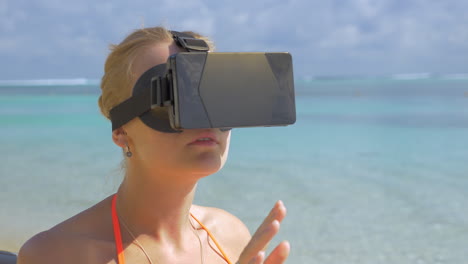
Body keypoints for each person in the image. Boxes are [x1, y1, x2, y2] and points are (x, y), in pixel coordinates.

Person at [17, 26, 290, 264]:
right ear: (121, 129)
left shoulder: (231, 236)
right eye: (175, 99)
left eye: (214, 94)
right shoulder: (57, 255)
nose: (205, 118)